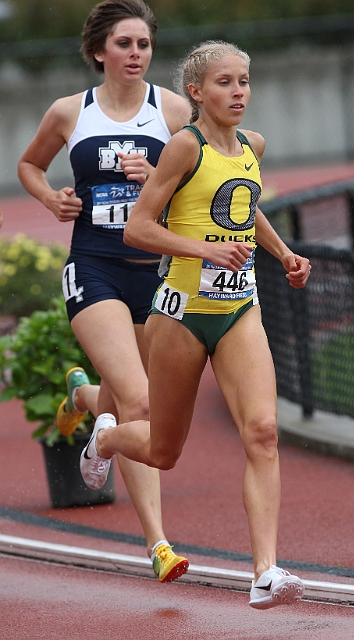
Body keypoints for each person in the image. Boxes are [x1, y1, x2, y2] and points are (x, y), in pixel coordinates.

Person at [78, 39, 312, 609]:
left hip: (239, 309)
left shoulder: (253, 145)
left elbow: (243, 206)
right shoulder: (183, 148)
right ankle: (105, 436)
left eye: (244, 82)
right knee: (163, 451)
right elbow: (138, 228)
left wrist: (282, 255)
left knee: (262, 432)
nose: (238, 92)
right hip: (181, 314)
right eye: (225, 83)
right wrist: (203, 251)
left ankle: (264, 572)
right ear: (196, 92)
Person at [17, 0, 191, 583]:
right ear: (99, 51)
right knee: (142, 403)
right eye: (124, 44)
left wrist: (162, 182)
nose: (136, 54)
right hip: (95, 269)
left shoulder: (172, 109)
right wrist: (51, 199)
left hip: (156, 274)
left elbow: (202, 181)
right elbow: (29, 165)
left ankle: (84, 401)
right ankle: (159, 545)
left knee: (122, 400)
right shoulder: (71, 113)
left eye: (144, 44)